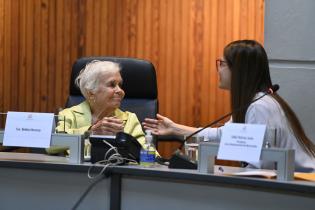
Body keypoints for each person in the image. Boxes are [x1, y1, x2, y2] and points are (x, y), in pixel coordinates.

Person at [143, 40, 315, 172]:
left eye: (222, 64)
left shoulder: (259, 106)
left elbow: (260, 166)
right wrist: (175, 129)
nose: (218, 70)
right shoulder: (255, 102)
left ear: (238, 70)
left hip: (304, 187)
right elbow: (222, 135)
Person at [47, 60, 145, 155]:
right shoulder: (69, 115)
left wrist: (123, 139)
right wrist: (91, 132)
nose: (120, 91)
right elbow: (51, 145)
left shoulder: (129, 119)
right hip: (76, 171)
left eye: (120, 85)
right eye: (112, 84)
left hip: (118, 171)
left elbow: (149, 154)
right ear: (91, 93)